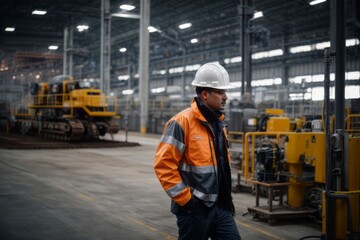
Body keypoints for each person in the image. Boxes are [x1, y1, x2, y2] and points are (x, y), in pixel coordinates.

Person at [154, 62, 241, 240]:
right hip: (194, 210)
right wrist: (187, 201)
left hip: (220, 206)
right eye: (220, 92)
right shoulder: (181, 123)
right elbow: (163, 166)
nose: (225, 97)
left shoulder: (218, 124)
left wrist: (226, 199)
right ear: (204, 94)